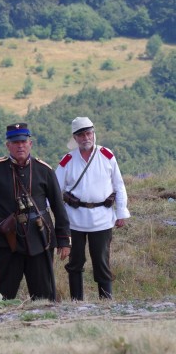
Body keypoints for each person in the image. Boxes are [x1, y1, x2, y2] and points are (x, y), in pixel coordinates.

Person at [0, 123, 71, 301]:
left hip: (40, 236)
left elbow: (59, 207)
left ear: (30, 143)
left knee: (43, 293)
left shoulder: (45, 170)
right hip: (8, 237)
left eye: (24, 141)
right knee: (4, 291)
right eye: (15, 142)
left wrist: (64, 240)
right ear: (8, 145)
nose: (20, 145)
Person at [55, 117, 130, 300]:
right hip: (75, 219)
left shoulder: (107, 155)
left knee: (102, 262)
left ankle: (106, 303)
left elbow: (118, 185)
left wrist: (121, 212)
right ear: (75, 137)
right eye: (81, 135)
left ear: (93, 133)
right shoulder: (67, 161)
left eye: (88, 133)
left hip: (102, 218)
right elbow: (55, 189)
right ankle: (76, 304)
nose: (86, 137)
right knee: (75, 263)